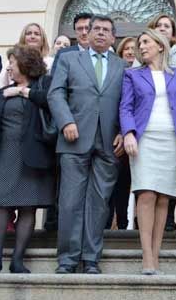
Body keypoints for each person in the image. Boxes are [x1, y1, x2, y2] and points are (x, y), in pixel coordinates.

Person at [48, 15, 126, 274]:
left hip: (108, 142)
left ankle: (91, 258)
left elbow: (128, 103)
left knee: (99, 202)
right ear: (87, 34)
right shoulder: (69, 59)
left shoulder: (122, 65)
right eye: (97, 29)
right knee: (70, 201)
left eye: (106, 30)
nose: (101, 33)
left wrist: (124, 132)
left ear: (113, 37)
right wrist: (65, 122)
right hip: (74, 137)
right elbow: (55, 93)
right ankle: (68, 259)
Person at [0, 45, 56, 274]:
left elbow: (52, 102)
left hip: (33, 154)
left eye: (12, 62)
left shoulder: (44, 84)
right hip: (3, 154)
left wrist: (23, 92)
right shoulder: (2, 92)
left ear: (25, 63)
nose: (9, 67)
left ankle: (18, 260)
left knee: (27, 207)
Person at [119, 29, 176, 274]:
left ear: (160, 46)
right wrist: (128, 133)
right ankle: (147, 257)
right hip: (144, 139)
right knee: (146, 194)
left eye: (146, 42)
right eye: (140, 43)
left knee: (163, 198)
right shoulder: (132, 75)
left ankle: (156, 255)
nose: (142, 46)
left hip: (171, 140)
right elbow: (125, 107)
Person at [147, 13, 176, 231]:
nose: (163, 28)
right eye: (159, 25)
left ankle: (168, 217)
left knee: (172, 173)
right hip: (149, 127)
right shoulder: (143, 53)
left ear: (173, 33)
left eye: (167, 26)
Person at [106, 36, 138, 231]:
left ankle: (125, 223)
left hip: (131, 135)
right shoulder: (114, 73)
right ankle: (107, 224)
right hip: (111, 136)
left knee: (126, 183)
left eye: (133, 48)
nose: (130, 51)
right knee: (111, 182)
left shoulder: (141, 74)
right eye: (126, 48)